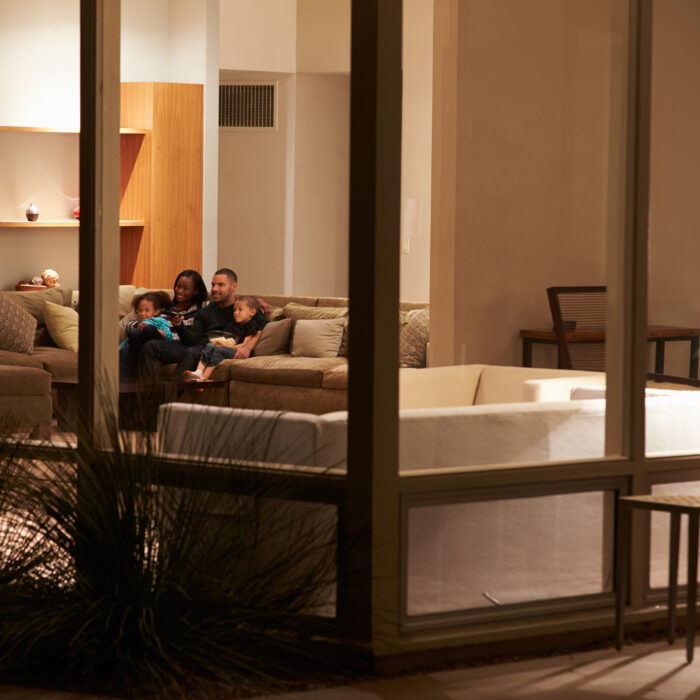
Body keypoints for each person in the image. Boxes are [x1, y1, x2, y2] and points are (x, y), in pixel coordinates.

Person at [138, 267, 265, 381]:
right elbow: (193, 340)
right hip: (199, 347)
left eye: (220, 285)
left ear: (233, 287)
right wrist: (179, 325)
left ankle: (175, 398)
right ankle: (147, 398)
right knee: (151, 346)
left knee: (191, 352)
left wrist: (247, 347)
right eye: (213, 285)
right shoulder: (205, 311)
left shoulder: (244, 308)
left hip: (221, 349)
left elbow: (263, 326)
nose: (214, 289)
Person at [183, 296, 266, 382]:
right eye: (234, 310)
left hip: (237, 352)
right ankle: (198, 372)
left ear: (252, 312)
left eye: (240, 310)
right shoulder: (232, 324)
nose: (236, 313)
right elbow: (224, 337)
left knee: (219, 351)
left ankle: (204, 378)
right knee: (209, 346)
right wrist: (218, 343)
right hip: (227, 348)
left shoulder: (252, 326)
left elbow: (244, 345)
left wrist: (225, 347)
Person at [119, 292, 173, 380]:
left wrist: (160, 332)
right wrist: (120, 347)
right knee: (131, 337)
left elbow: (169, 336)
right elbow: (128, 341)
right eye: (140, 310)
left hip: (154, 346)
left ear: (156, 311)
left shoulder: (160, 321)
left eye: (147, 310)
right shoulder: (136, 323)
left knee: (147, 329)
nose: (142, 313)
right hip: (137, 347)